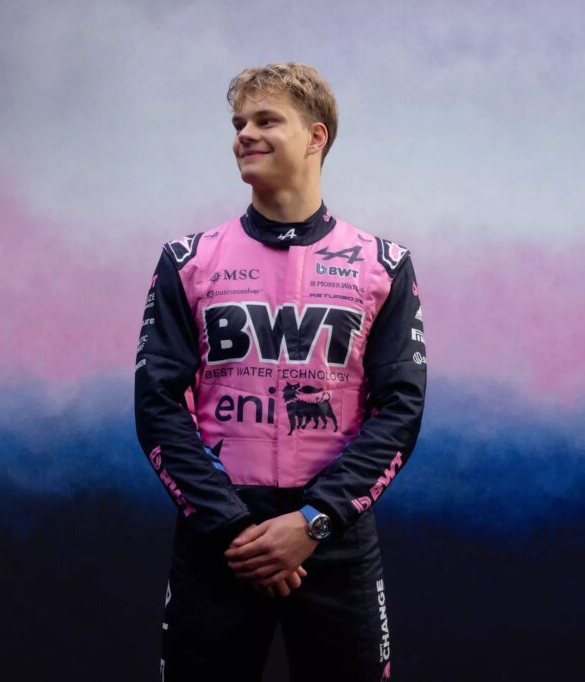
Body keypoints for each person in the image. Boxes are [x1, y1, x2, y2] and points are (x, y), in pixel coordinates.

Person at [134, 62, 427, 682]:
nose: (244, 134)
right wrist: (234, 528)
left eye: (266, 120)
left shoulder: (383, 265)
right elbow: (157, 404)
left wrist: (314, 521)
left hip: (334, 534)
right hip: (220, 537)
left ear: (316, 137)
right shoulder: (187, 260)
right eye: (238, 123)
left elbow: (400, 410)